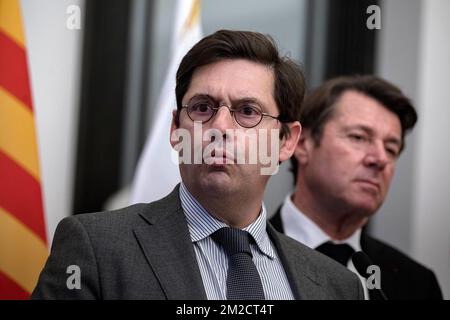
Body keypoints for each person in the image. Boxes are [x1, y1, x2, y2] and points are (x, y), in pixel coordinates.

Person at [32, 30, 363, 300]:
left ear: (286, 141)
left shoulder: (338, 287)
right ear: (176, 130)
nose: (219, 127)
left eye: (247, 111)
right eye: (203, 108)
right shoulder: (95, 248)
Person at [270, 75, 443, 300]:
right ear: (303, 145)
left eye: (391, 149)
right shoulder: (242, 255)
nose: (380, 159)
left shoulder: (416, 283)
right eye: (359, 137)